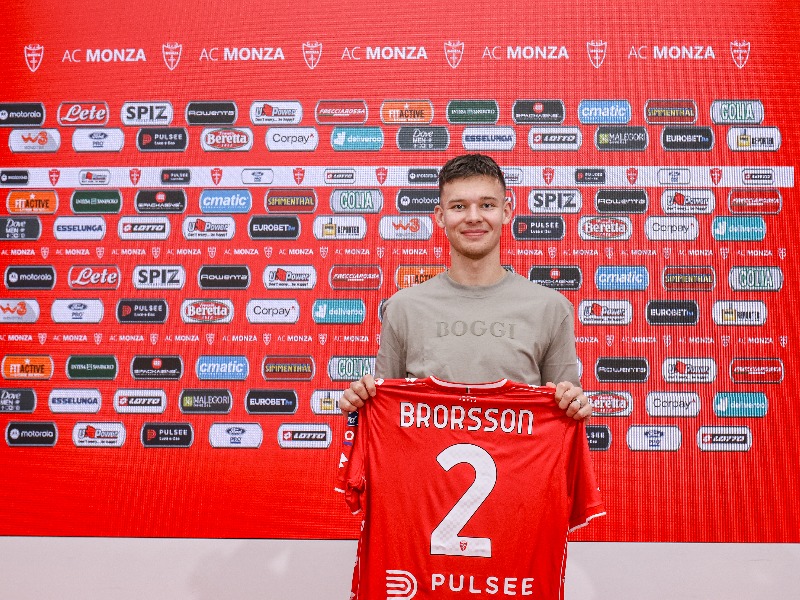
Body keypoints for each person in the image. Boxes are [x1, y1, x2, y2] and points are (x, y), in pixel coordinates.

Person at [340, 153, 592, 419]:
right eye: (459, 206)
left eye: (487, 205)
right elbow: (384, 413)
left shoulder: (551, 308)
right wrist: (360, 405)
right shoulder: (403, 308)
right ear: (440, 216)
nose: (473, 217)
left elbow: (564, 417)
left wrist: (576, 406)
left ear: (506, 212)